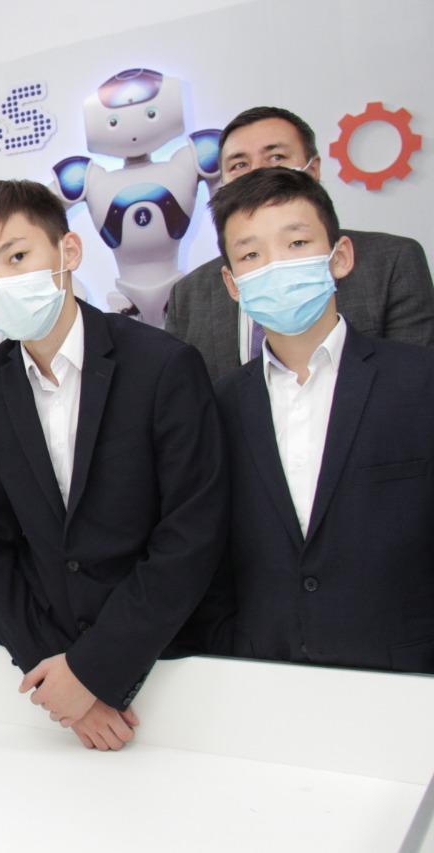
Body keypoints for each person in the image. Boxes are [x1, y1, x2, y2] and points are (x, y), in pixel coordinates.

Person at [0, 180, 228, 751]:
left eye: (17, 257)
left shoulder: (163, 365)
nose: (1, 283)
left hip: (162, 665)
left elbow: (192, 530)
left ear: (69, 252)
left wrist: (95, 670)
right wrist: (54, 671)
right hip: (44, 675)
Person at [184, 167, 434, 673]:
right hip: (265, 669)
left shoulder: (419, 380)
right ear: (232, 283)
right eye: (251, 255)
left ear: (339, 257)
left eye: (297, 243)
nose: (275, 265)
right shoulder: (218, 406)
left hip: (406, 674)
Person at [165, 106, 434, 380]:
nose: (258, 175)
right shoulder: (188, 296)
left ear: (312, 169)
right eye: (239, 165)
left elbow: (413, 382)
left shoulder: (391, 262)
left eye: (276, 157)